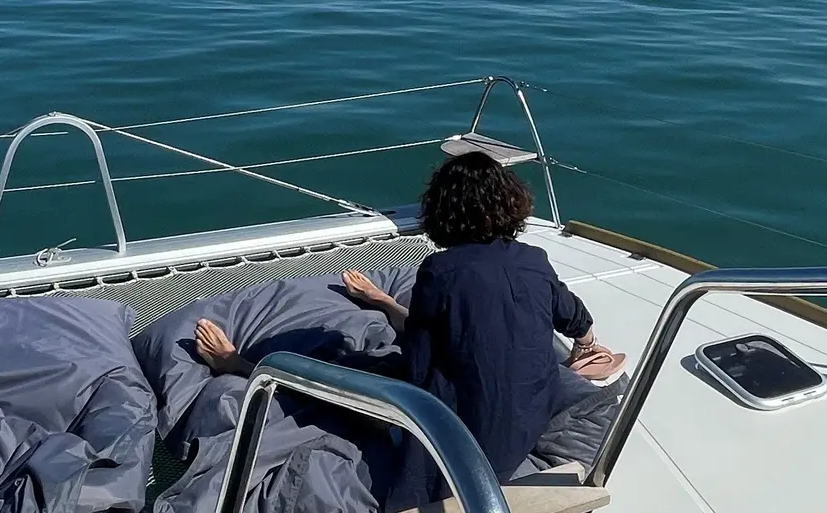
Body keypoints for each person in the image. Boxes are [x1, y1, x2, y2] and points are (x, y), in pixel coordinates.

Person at [193, 151, 622, 510]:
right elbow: (575, 318)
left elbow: (419, 364)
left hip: (458, 437)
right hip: (527, 422)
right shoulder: (535, 260)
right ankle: (381, 303)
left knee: (348, 375)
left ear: (442, 210)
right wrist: (585, 346)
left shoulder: (441, 271)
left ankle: (241, 365)